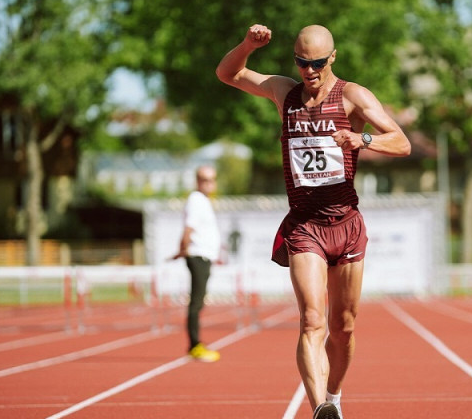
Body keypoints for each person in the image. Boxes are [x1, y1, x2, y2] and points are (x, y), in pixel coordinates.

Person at [216, 24, 411, 419]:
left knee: (344, 328)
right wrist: (248, 46)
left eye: (318, 63)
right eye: (303, 63)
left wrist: (364, 140)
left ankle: (334, 395)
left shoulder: (353, 96)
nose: (310, 71)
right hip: (305, 226)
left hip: (347, 224)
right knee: (311, 320)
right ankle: (320, 406)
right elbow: (227, 74)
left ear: (332, 58)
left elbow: (402, 142)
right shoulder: (283, 92)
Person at [172, 165, 221, 362]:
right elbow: (189, 228)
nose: (208, 183)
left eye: (211, 179)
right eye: (204, 179)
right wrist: (183, 248)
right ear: (197, 181)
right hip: (198, 255)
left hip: (204, 255)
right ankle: (194, 345)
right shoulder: (196, 200)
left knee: (199, 301)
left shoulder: (204, 201)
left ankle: (196, 344)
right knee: (196, 301)